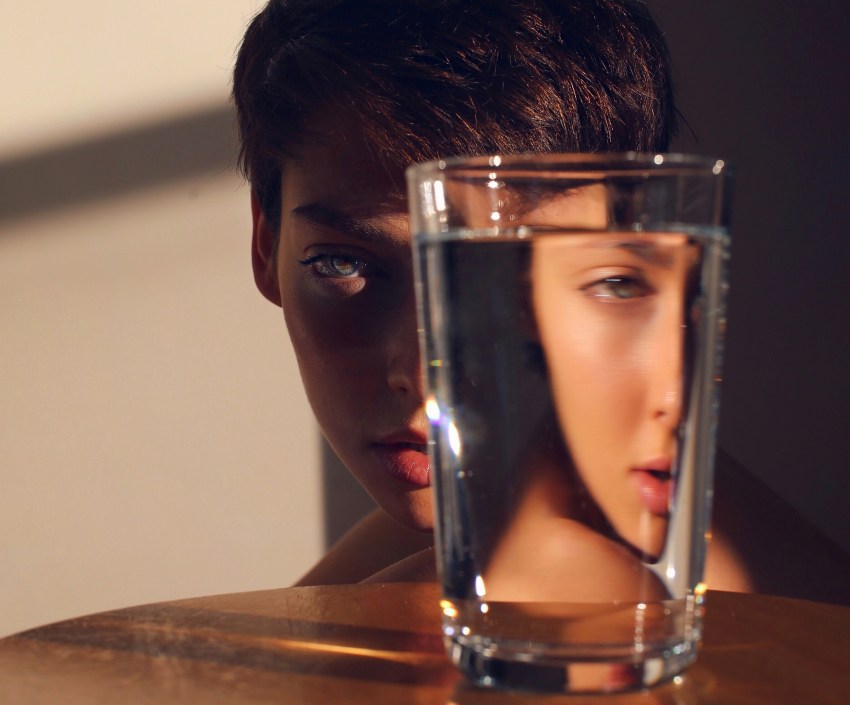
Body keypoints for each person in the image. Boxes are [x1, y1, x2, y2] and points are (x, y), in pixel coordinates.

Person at [232, 0, 850, 603]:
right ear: (265, 247)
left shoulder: (503, 597)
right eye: (343, 265)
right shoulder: (473, 516)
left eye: (511, 273)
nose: (425, 375)